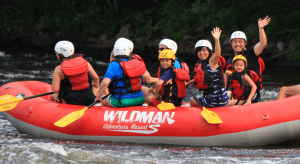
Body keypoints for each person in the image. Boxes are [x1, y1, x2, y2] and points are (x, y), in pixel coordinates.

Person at [226, 16, 271, 101]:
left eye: (240, 41)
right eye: (235, 41)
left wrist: (261, 29)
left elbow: (262, 44)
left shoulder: (251, 53)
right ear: (231, 43)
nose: (237, 44)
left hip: (251, 96)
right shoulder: (229, 60)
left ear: (245, 43)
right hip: (236, 96)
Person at [186, 27, 229, 107]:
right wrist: (189, 83)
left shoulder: (212, 61)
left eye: (204, 50)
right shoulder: (202, 63)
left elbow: (217, 54)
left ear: (209, 51)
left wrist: (216, 39)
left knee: (192, 101)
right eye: (199, 51)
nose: (202, 53)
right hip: (217, 97)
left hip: (215, 99)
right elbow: (203, 77)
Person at [95, 42, 148, 107]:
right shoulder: (136, 62)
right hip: (140, 100)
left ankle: (102, 115)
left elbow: (105, 82)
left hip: (121, 101)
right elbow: (147, 78)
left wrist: (98, 97)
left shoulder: (114, 64)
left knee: (103, 98)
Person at [110, 38, 159, 104]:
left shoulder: (117, 63)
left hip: (127, 92)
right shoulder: (134, 60)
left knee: (145, 90)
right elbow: (148, 78)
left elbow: (148, 79)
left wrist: (163, 80)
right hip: (132, 91)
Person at [51, 40, 100, 105]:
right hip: (89, 99)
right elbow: (96, 78)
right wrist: (96, 87)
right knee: (96, 89)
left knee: (52, 95)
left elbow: (55, 90)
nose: (56, 54)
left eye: (56, 53)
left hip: (71, 101)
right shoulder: (85, 62)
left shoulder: (58, 69)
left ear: (61, 55)